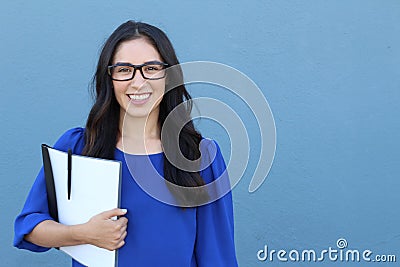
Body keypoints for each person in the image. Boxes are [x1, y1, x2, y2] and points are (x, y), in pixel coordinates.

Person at [13, 20, 238, 266]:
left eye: (151, 68)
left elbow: (218, 257)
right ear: (108, 78)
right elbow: (29, 226)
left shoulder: (201, 158)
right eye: (124, 70)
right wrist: (82, 233)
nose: (138, 82)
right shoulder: (78, 148)